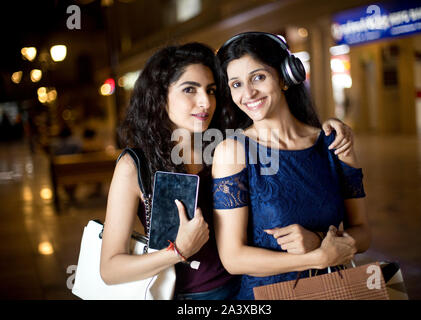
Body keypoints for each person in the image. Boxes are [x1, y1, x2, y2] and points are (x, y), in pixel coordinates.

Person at [100, 41, 356, 300]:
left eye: (211, 91)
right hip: (193, 297)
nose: (205, 102)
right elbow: (110, 269)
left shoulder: (226, 144)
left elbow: (271, 123)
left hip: (251, 285)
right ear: (159, 95)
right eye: (190, 89)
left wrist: (330, 128)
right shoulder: (135, 165)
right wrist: (177, 251)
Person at [212, 32, 371, 300]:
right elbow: (233, 257)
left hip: (332, 293)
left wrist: (319, 240)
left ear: (286, 76)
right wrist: (317, 257)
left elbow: (364, 234)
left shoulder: (333, 143)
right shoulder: (232, 151)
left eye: (258, 77)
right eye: (236, 84)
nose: (248, 93)